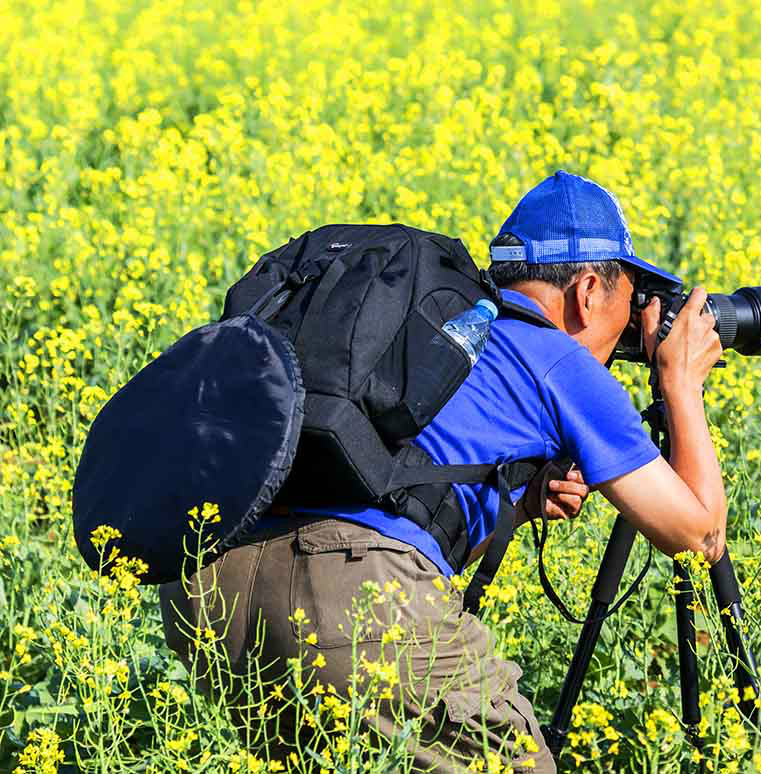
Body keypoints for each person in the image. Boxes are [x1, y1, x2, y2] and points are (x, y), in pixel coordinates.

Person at [158, 170, 727, 773]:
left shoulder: (443, 334)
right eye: (630, 294)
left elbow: (398, 500)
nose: (632, 324)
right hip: (342, 601)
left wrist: (520, 499)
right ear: (588, 290)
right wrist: (680, 383)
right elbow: (698, 537)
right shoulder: (561, 360)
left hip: (211, 590)